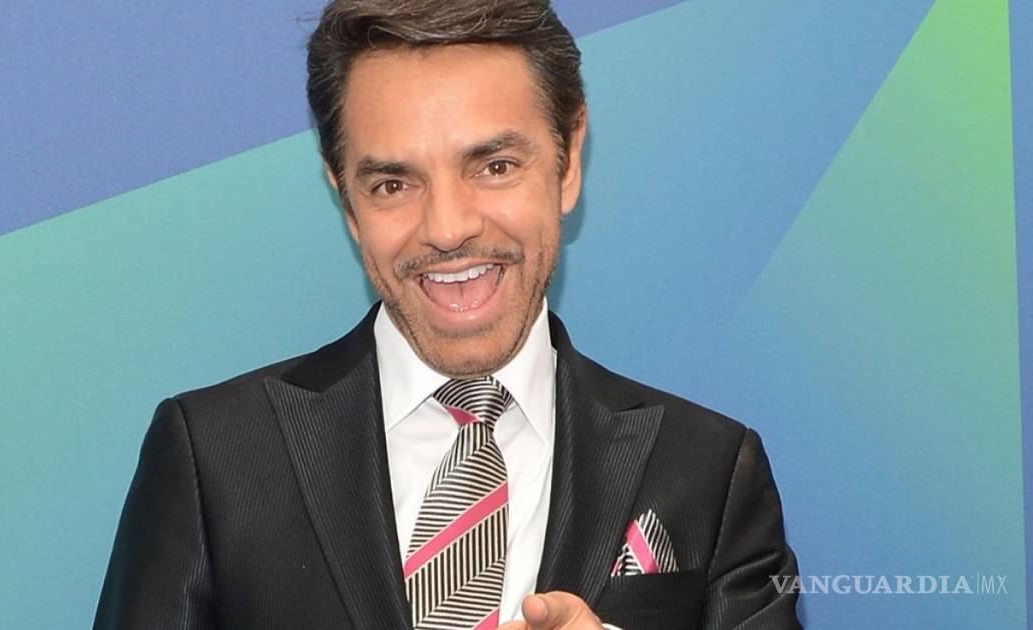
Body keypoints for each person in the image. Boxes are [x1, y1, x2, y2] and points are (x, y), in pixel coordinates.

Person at [94, 1, 801, 628]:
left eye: (494, 167)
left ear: (568, 161)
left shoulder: (708, 470)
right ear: (346, 199)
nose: (448, 228)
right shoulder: (214, 456)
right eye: (393, 183)